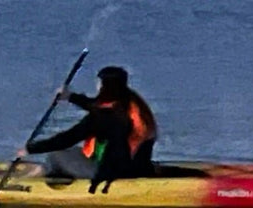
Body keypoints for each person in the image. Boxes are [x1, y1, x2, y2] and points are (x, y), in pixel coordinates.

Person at [25, 65, 158, 192]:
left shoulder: (103, 117)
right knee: (73, 152)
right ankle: (43, 171)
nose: (97, 86)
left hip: (112, 174)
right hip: (140, 168)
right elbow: (96, 105)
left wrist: (30, 149)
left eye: (100, 83)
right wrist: (70, 97)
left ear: (106, 87)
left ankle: (32, 179)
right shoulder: (131, 103)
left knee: (56, 155)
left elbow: (68, 138)